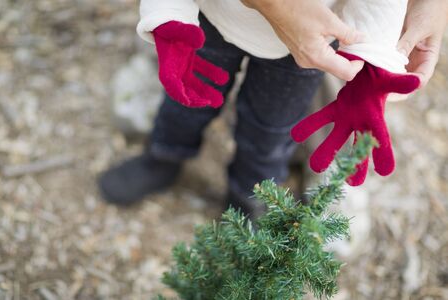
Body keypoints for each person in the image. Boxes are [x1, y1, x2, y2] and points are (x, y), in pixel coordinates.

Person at [98, 0, 447, 218]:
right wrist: (169, 14)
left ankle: (247, 198)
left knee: (271, 129)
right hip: (213, 17)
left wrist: (372, 64)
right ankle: (164, 157)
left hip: (310, 44)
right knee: (187, 100)